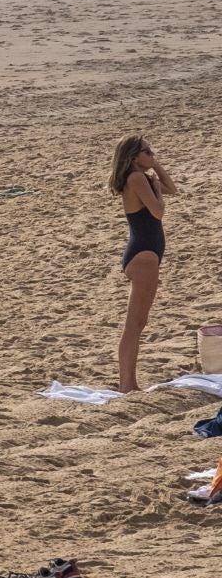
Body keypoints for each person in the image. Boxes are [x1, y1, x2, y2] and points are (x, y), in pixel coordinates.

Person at [111, 136, 172, 392]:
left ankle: (129, 382)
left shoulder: (142, 177)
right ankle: (127, 384)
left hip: (147, 255)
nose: (152, 154)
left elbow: (173, 188)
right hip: (143, 256)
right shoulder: (136, 179)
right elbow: (158, 211)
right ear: (134, 157)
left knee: (139, 322)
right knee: (134, 324)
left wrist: (156, 167)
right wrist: (156, 188)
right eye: (148, 152)